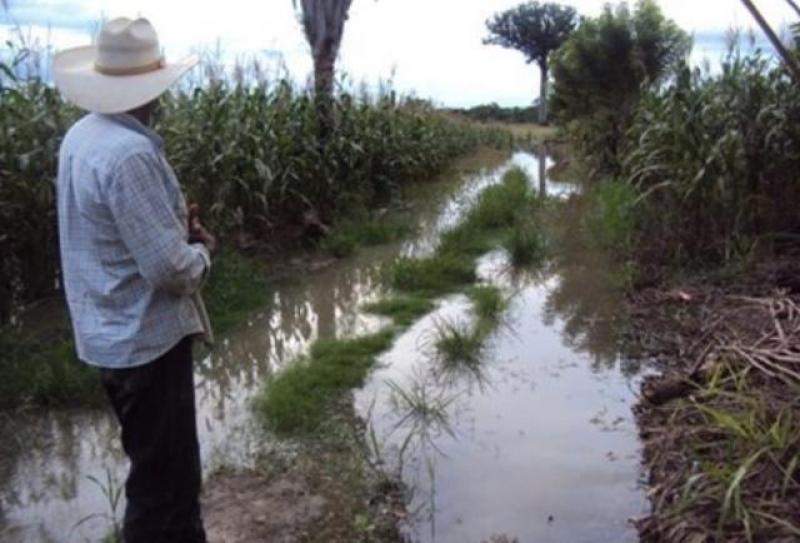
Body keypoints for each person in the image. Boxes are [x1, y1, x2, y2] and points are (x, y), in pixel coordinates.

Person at [53, 17, 214, 543]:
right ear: (152, 88)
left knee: (151, 469)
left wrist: (173, 232)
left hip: (106, 337)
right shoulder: (131, 154)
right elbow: (170, 271)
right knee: (166, 487)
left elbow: (115, 235)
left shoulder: (82, 136)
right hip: (146, 344)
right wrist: (202, 252)